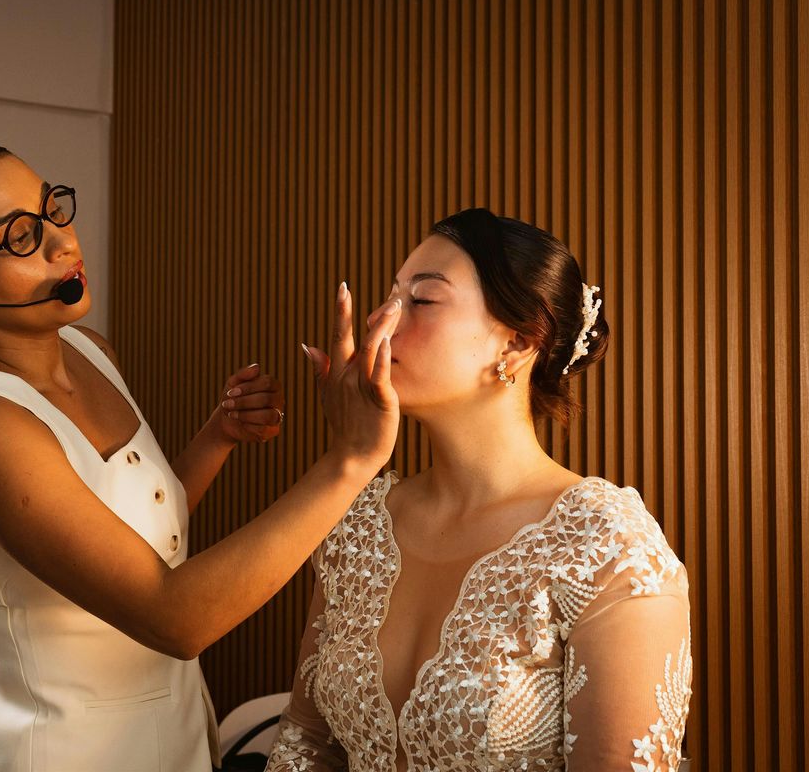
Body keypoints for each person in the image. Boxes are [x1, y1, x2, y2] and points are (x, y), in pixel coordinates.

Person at [0, 139, 402, 771]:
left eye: (51, 210)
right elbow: (174, 618)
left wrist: (218, 437)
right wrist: (350, 461)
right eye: (19, 237)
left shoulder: (90, 352)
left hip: (174, 738)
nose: (63, 243)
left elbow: (129, 541)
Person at [267, 208, 692, 771]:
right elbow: (306, 741)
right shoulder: (360, 523)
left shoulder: (607, 546)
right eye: (389, 296)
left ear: (515, 343)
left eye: (421, 300)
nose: (379, 319)